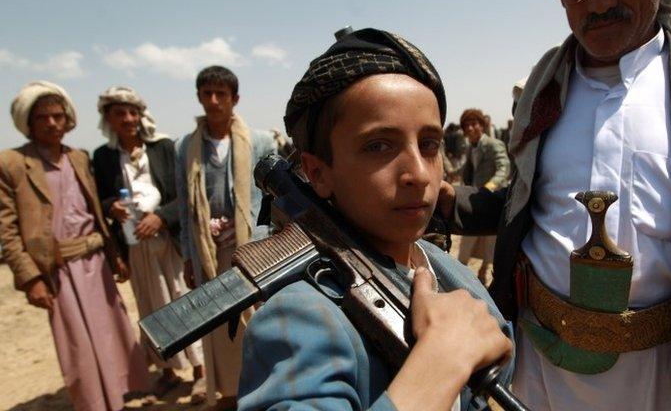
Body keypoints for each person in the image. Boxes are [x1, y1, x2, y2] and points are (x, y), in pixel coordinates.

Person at [439, 0, 671, 409]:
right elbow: (528, 207)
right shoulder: (544, 91)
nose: (598, 2)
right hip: (543, 371)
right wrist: (447, 202)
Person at [237, 28, 514, 411]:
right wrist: (439, 365)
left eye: (429, 144)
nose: (418, 173)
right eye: (378, 146)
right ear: (317, 172)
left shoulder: (440, 267)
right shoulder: (302, 315)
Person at [0, 81, 149, 411]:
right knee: (77, 345)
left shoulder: (79, 157)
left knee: (112, 334)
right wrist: (32, 278)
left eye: (58, 115)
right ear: (29, 122)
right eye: (43, 117)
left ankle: (118, 401)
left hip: (96, 262)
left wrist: (115, 258)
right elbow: (7, 232)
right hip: (57, 270)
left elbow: (95, 212)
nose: (53, 123)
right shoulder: (12, 163)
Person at [92, 86, 206, 403]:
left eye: (133, 112)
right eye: (120, 113)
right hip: (135, 245)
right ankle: (168, 372)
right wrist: (112, 205)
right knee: (150, 306)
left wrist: (161, 217)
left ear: (141, 115)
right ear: (108, 119)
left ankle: (200, 372)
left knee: (183, 301)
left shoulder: (163, 147)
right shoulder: (103, 157)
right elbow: (100, 198)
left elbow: (182, 194)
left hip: (168, 242)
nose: (128, 119)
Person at [175, 66, 276, 410]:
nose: (214, 101)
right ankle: (230, 393)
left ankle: (262, 387)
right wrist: (189, 254)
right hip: (208, 251)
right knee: (217, 327)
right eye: (207, 94)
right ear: (199, 97)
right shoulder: (185, 147)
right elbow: (186, 207)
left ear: (235, 99)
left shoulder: (260, 141)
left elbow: (271, 202)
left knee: (254, 318)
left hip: (250, 249)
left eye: (222, 94)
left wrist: (258, 236)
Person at [457, 108, 510, 286]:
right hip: (473, 201)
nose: (471, 128)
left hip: (491, 201)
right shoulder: (470, 148)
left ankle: (482, 273)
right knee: (465, 247)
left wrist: (489, 188)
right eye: (467, 126)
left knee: (489, 246)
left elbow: (504, 168)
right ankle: (458, 279)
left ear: (482, 125)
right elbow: (466, 170)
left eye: (474, 124)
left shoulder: (494, 144)